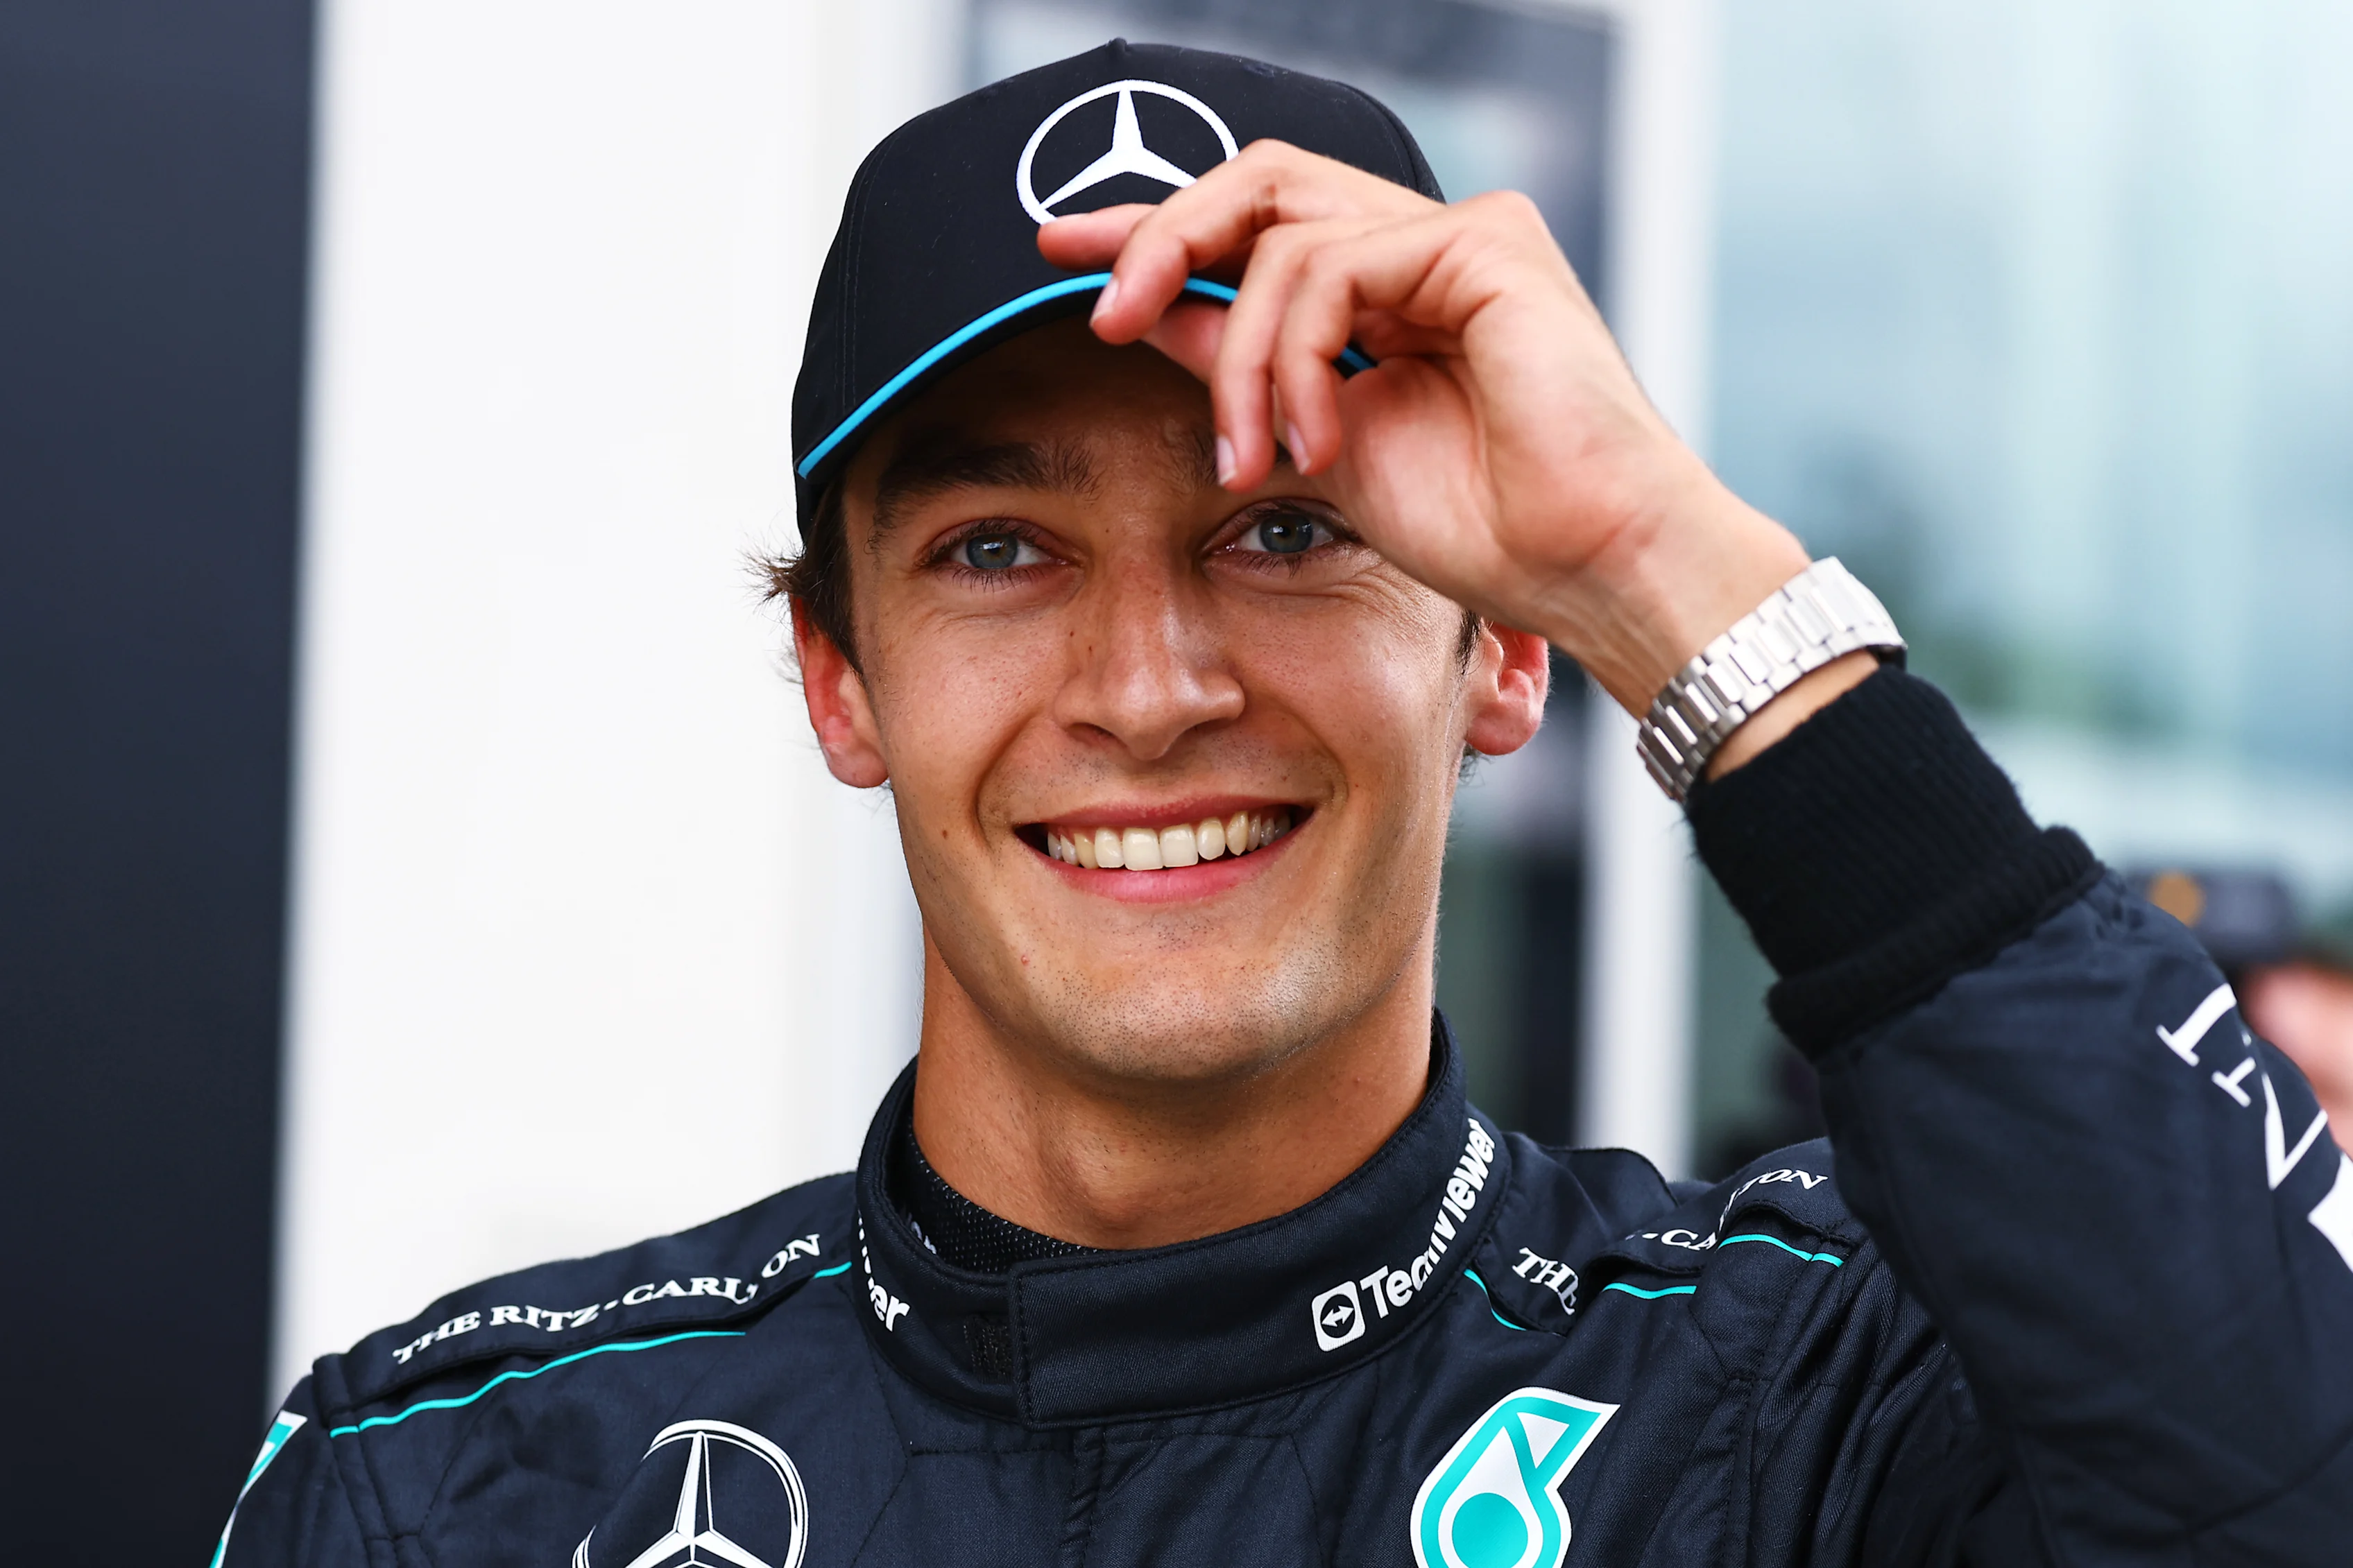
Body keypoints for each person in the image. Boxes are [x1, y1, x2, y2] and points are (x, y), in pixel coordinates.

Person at [215, 41, 2353, 1567]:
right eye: (996, 550)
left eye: (1284, 531)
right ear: (838, 680)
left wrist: (1656, 560)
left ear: (1503, 648)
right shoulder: (456, 1483)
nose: (1151, 689)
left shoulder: (1816, 1393)